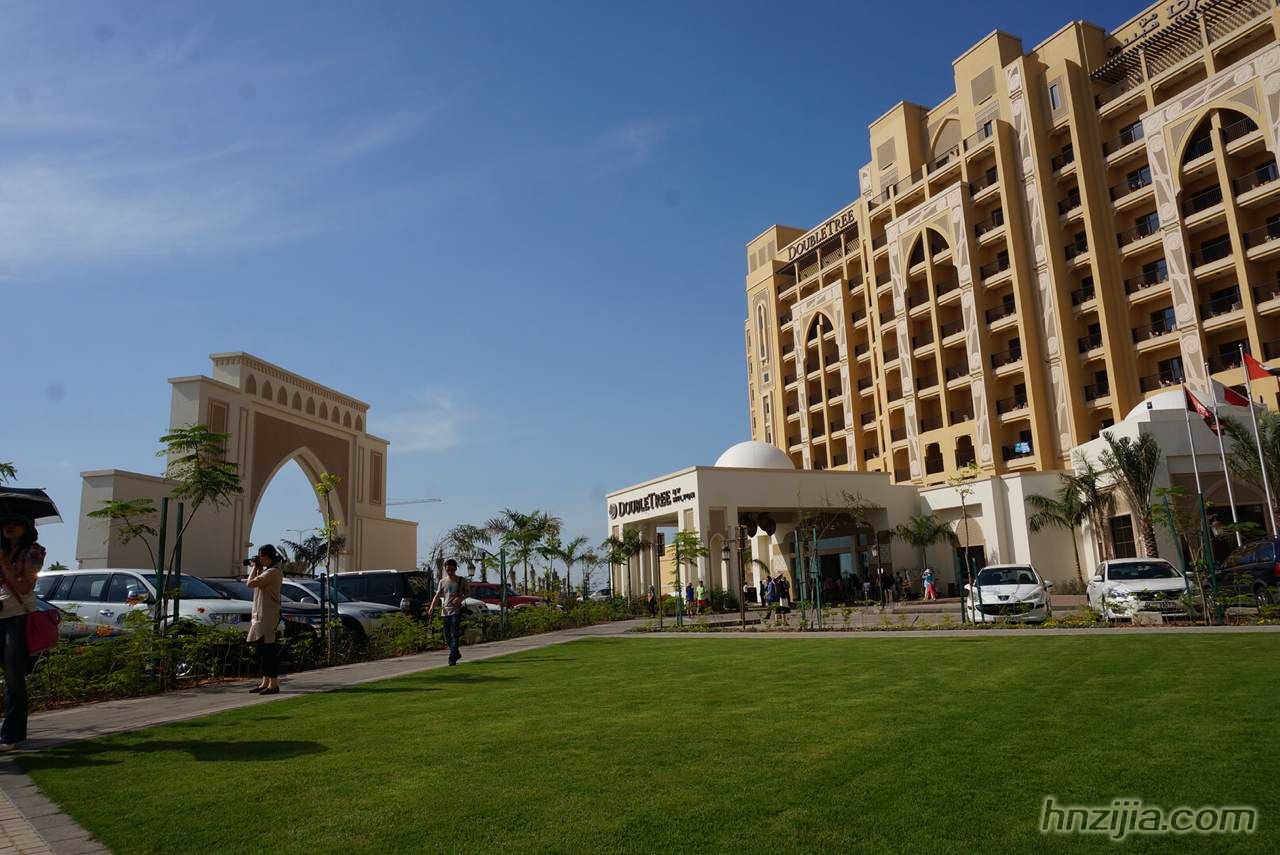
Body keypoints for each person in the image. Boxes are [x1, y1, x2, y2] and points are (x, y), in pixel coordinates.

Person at [0, 515, 44, 750]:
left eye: (15, 523)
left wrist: (4, 563)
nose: (9, 527)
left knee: (13, 676)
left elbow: (25, 586)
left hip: (17, 617)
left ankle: (12, 735)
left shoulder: (33, 552)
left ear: (26, 527)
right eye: (5, 522)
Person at [246, 544, 285, 695]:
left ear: (266, 556)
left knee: (269, 650)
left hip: (267, 615)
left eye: (260, 556)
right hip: (262, 614)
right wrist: (258, 568)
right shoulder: (269, 571)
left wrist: (254, 568)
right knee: (263, 649)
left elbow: (250, 583)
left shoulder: (273, 572)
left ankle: (273, 684)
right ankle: (265, 682)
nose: (259, 559)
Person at [428, 558, 470, 665]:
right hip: (445, 611)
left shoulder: (461, 580)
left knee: (454, 634)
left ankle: (452, 657)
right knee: (447, 635)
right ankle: (456, 652)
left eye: (452, 569)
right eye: (448, 570)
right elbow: (437, 595)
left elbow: (468, 593)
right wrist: (432, 606)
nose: (450, 572)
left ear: (455, 569)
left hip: (456, 610)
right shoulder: (442, 581)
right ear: (445, 569)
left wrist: (460, 598)